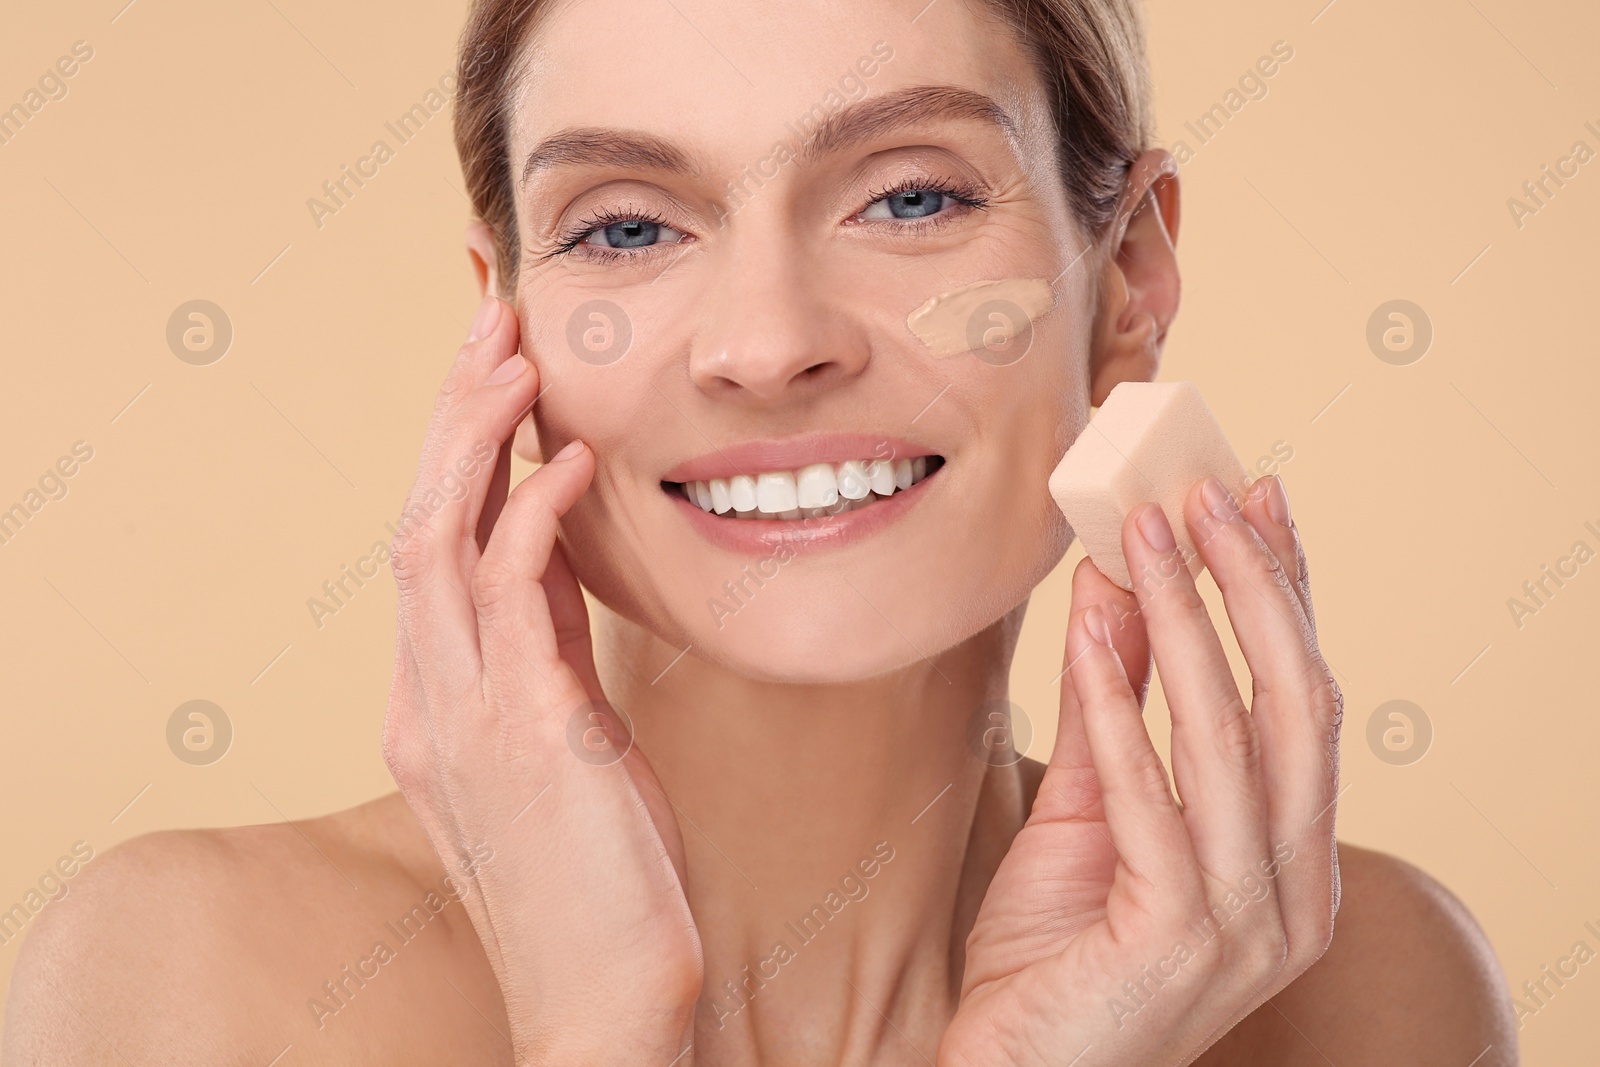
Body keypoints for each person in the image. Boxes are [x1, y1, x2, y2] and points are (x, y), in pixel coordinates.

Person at [3, 0, 1517, 1063]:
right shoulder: (194, 979)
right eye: (628, 227)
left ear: (1129, 279)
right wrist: (602, 1039)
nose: (766, 340)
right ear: (503, 318)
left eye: (912, 198)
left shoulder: (1365, 993)